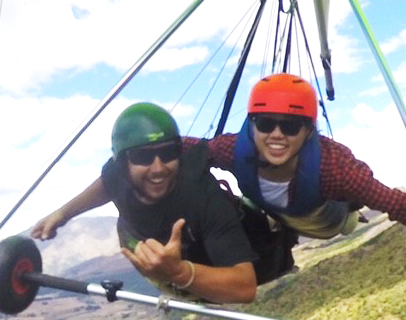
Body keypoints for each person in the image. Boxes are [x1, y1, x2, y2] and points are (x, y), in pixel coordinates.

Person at [208, 73, 406, 266]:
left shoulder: (335, 170)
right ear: (252, 126)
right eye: (265, 124)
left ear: (308, 131)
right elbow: (183, 149)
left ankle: (345, 217)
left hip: (329, 220)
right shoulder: (233, 150)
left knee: (344, 221)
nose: (276, 135)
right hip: (279, 213)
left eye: (290, 126)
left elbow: (401, 206)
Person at [32, 103, 274, 304]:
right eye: (143, 156)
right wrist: (63, 213)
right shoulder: (116, 173)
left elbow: (245, 288)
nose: (158, 168)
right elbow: (106, 185)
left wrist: (179, 272)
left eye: (168, 153)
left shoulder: (204, 198)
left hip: (205, 271)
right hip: (154, 257)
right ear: (122, 162)